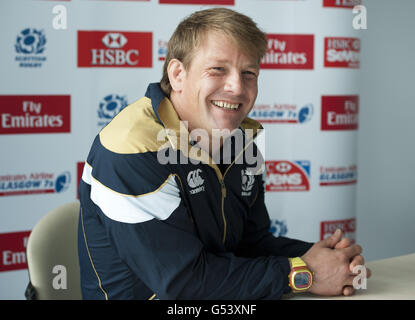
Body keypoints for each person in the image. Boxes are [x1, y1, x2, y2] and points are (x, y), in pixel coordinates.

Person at [78, 7, 370, 300]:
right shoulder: (131, 149)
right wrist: (304, 274)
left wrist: (326, 260)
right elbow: (183, 284)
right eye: (218, 69)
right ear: (178, 74)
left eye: (249, 73)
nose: (237, 87)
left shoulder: (239, 141)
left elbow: (250, 245)